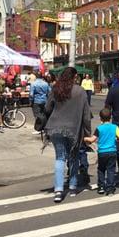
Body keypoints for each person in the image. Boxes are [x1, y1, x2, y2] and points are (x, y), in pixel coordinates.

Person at [45, 67, 91, 203]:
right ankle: (72, 186)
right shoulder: (80, 91)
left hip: (54, 128)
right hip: (73, 129)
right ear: (75, 76)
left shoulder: (55, 88)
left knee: (59, 158)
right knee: (74, 156)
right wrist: (87, 133)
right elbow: (86, 115)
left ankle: (58, 190)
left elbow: (48, 108)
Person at [84, 108, 119, 196]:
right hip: (112, 151)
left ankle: (101, 187)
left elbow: (92, 139)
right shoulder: (115, 127)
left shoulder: (99, 128)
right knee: (111, 170)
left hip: (102, 152)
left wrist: (85, 138)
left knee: (101, 169)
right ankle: (110, 189)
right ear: (110, 117)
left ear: (100, 118)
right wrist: (118, 144)